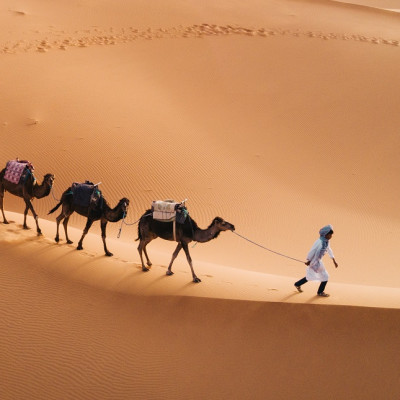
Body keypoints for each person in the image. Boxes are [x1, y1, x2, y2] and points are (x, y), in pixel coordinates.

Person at [294, 224, 338, 297]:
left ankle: (297, 284)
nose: (331, 236)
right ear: (325, 234)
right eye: (330, 235)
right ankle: (320, 292)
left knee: (311, 276)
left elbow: (329, 249)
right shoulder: (319, 242)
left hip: (318, 261)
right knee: (325, 276)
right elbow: (312, 251)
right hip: (314, 262)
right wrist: (309, 260)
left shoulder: (326, 241)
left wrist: (334, 260)